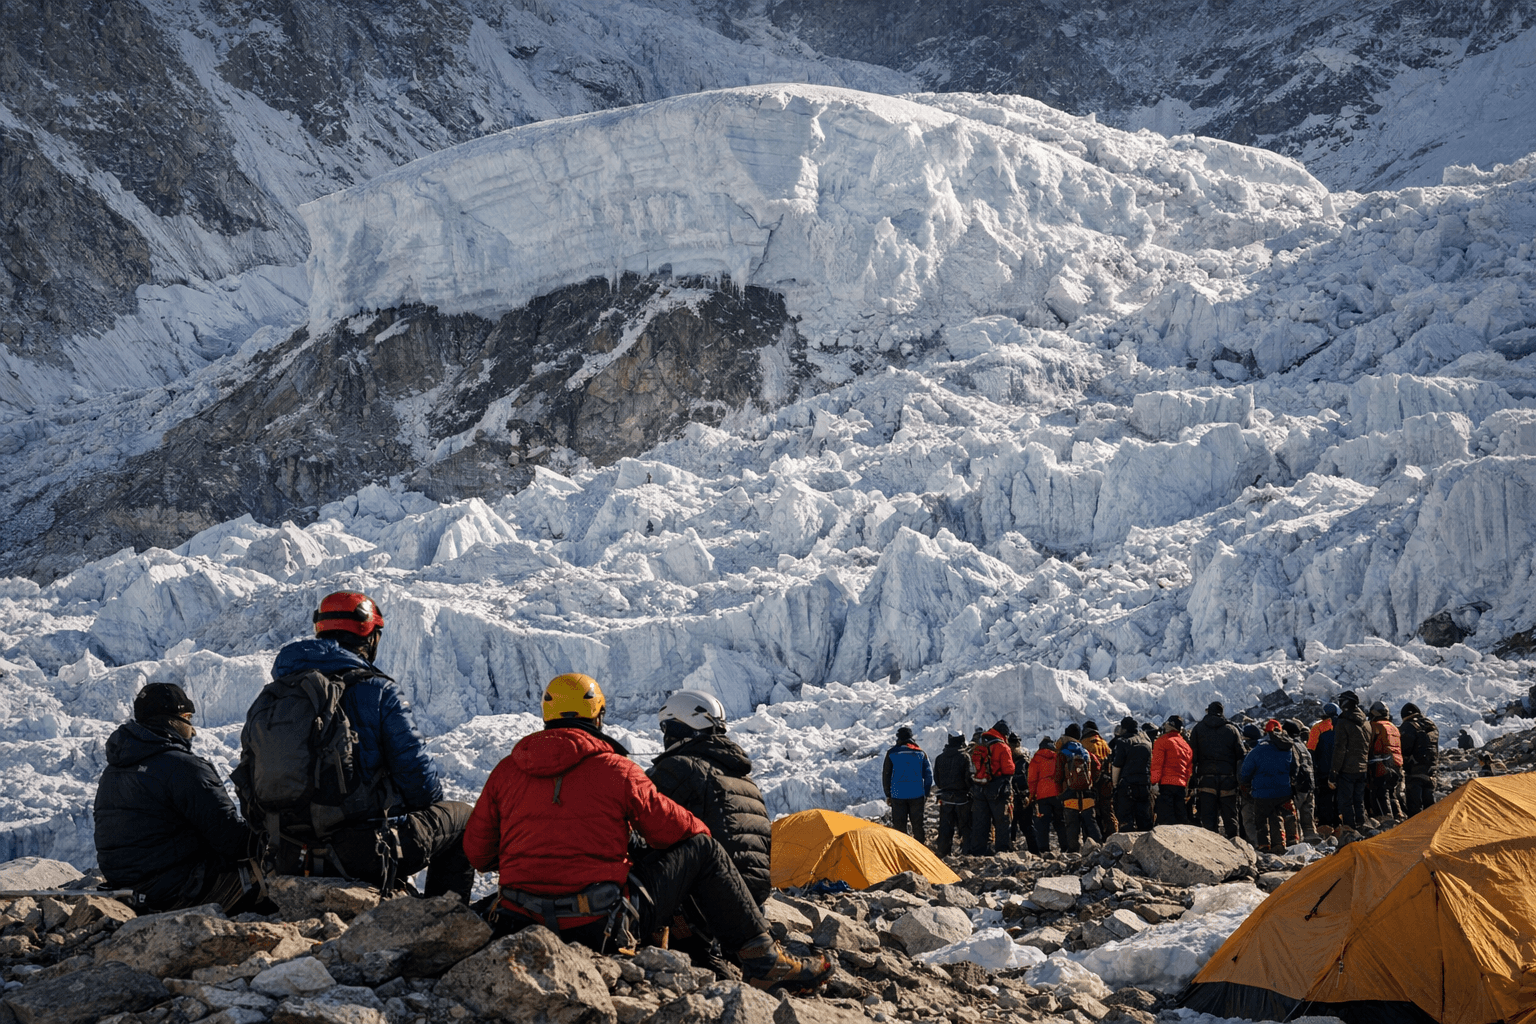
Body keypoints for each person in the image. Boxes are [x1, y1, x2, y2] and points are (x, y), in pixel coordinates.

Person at [464, 673, 831, 993]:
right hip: (598, 927)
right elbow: (682, 832)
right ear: (599, 716)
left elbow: (477, 855)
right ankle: (763, 961)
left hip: (517, 921)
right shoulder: (618, 770)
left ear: (547, 715)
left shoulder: (505, 772)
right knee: (704, 846)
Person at [238, 592, 473, 900]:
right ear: (369, 634)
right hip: (364, 854)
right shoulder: (378, 692)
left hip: (289, 855)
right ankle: (444, 922)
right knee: (463, 819)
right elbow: (421, 787)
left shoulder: (272, 697)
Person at [95, 684, 258, 912]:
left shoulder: (114, 768)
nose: (192, 730)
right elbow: (233, 841)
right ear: (171, 721)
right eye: (187, 718)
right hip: (173, 892)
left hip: (128, 888)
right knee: (269, 868)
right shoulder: (182, 768)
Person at [648, 690, 772, 906]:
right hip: (752, 904)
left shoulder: (681, 768)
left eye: (665, 728)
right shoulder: (746, 781)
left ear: (679, 728)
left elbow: (644, 820)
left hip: (705, 902)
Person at [1189, 702, 1244, 838]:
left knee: (1208, 817)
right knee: (1230, 815)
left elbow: (1192, 757)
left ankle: (1212, 849)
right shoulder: (1231, 729)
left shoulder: (1198, 728)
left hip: (1206, 780)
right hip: (1228, 779)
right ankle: (1235, 846)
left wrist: (1193, 780)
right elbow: (1241, 755)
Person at [1239, 720, 1295, 853]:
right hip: (1284, 790)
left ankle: (1264, 847)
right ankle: (1287, 842)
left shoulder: (1258, 750)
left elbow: (1245, 771)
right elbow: (1295, 769)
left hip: (1262, 793)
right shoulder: (1288, 748)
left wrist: (1246, 785)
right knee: (1283, 817)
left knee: (1262, 821)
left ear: (1266, 732)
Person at [968, 721, 1016, 855]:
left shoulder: (980, 743)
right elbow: (1009, 769)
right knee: (1002, 821)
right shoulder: (1001, 746)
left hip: (979, 786)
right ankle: (1002, 850)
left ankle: (979, 850)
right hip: (997, 789)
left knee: (981, 821)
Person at [1330, 691, 1372, 839]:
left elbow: (1339, 749)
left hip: (1347, 768)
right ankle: (1362, 827)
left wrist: (1333, 772)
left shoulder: (1343, 722)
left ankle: (1350, 832)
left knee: (1346, 802)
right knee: (1358, 800)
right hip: (1363, 767)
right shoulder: (1366, 723)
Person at [882, 726, 933, 846]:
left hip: (897, 795)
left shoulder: (892, 753)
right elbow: (929, 775)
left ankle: (902, 850)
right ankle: (920, 849)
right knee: (917, 824)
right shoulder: (920, 753)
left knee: (900, 826)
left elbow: (886, 774)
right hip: (917, 794)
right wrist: (926, 792)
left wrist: (888, 794)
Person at [1055, 739, 1102, 852]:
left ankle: (1073, 850)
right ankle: (1097, 846)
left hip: (1070, 795)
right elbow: (1097, 768)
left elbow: (1058, 776)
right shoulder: (1086, 753)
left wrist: (1060, 793)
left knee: (1072, 825)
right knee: (1090, 822)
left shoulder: (1062, 755)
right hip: (1087, 794)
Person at [932, 734, 973, 857]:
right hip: (962, 798)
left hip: (945, 797)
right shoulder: (965, 757)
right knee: (966, 826)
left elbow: (937, 779)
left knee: (945, 826)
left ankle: (943, 852)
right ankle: (967, 852)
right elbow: (968, 778)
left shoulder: (940, 758)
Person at [1110, 716, 1153, 831]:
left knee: (1125, 819)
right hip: (1145, 784)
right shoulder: (1147, 741)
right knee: (1144, 817)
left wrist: (1115, 784)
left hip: (1127, 785)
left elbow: (1117, 765)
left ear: (1124, 729)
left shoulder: (1123, 742)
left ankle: (1127, 846)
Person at [1366, 702, 1404, 822]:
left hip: (1381, 763)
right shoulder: (1393, 727)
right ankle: (1398, 815)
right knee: (1391, 792)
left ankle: (1386, 819)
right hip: (1397, 764)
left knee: (1379, 792)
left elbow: (1369, 745)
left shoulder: (1375, 726)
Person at [1398, 704, 1438, 816]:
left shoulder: (1408, 726)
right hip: (1431, 771)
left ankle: (1416, 831)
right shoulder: (1431, 726)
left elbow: (1405, 749)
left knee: (1415, 808)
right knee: (1430, 808)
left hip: (1415, 772)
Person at [1150, 717, 1192, 825]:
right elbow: (1189, 769)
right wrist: (1186, 785)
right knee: (1180, 818)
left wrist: (1154, 782)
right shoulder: (1186, 745)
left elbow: (1157, 764)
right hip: (1181, 785)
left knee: (1166, 818)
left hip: (1166, 784)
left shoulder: (1162, 741)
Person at [1028, 737, 1065, 854]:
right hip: (1058, 793)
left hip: (1042, 795)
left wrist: (1031, 796)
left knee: (1043, 823)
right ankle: (1065, 847)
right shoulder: (1057, 757)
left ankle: (1044, 848)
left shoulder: (1036, 759)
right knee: (1060, 821)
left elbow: (1032, 780)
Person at [1281, 720, 1316, 841]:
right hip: (1309, 783)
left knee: (1292, 813)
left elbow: (1294, 764)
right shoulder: (1302, 745)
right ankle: (1311, 837)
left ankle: (1295, 839)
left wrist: (1292, 781)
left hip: (1299, 784)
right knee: (1307, 814)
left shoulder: (1291, 745)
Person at [1081, 721, 1116, 837]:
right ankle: (1113, 835)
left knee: (1092, 811)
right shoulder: (1104, 743)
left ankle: (1096, 838)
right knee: (1108, 809)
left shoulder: (1084, 744)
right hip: (1107, 781)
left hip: (1092, 782)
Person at [1310, 704, 1339, 836]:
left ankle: (1326, 827)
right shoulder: (1342, 726)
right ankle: (1340, 824)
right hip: (1341, 769)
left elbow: (1310, 750)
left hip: (1323, 770)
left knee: (1325, 798)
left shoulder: (1317, 728)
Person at [1007, 734, 1036, 853]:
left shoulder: (1010, 759)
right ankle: (1034, 850)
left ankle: (1010, 850)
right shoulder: (1026, 759)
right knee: (1027, 826)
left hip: (1014, 797)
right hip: (1025, 797)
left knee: (1011, 825)